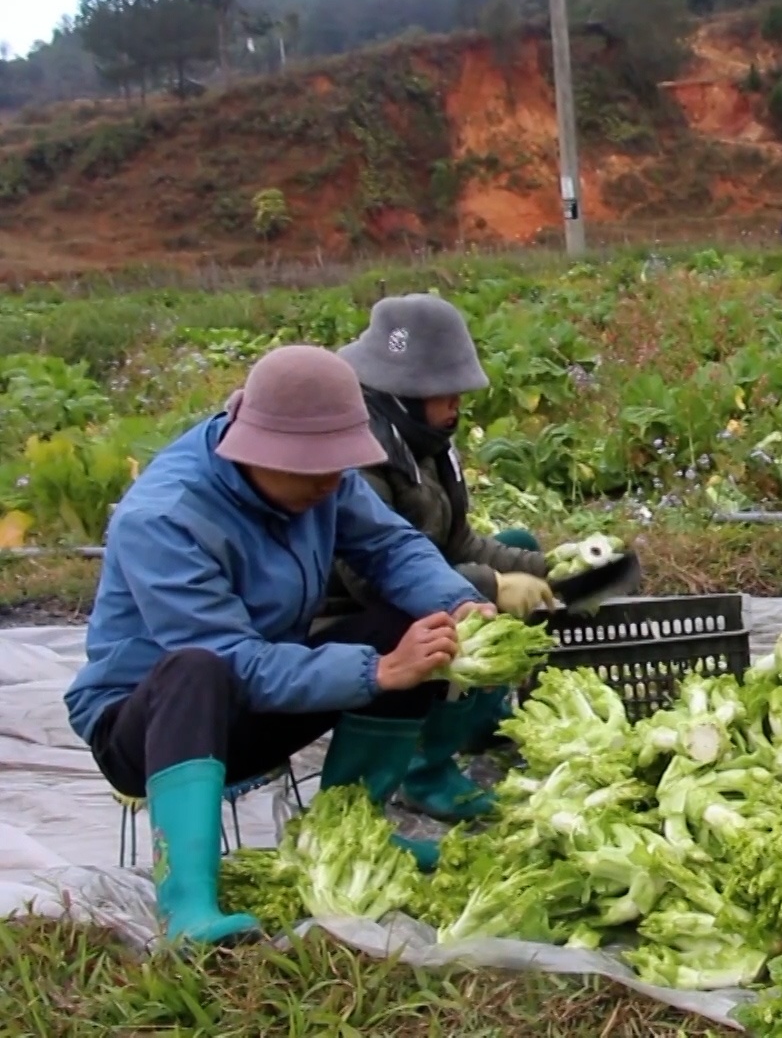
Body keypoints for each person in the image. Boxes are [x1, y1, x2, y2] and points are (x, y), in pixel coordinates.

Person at [64, 346, 496, 944]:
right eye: (310, 468)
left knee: (414, 625)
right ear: (251, 449)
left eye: (336, 466)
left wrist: (455, 603)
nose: (329, 481)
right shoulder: (166, 517)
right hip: (150, 727)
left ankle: (347, 831)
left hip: (265, 696)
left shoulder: (326, 483)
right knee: (196, 668)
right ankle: (188, 906)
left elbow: (392, 547)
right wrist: (376, 672)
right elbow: (230, 661)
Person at [316, 294, 557, 823]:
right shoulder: (360, 455)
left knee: (520, 546)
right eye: (443, 394)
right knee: (445, 618)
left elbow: (458, 543)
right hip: (347, 618)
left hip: (417, 582)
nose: (455, 406)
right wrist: (490, 585)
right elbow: (375, 580)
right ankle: (423, 771)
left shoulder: (425, 442)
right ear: (403, 393)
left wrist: (549, 567)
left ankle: (479, 724)